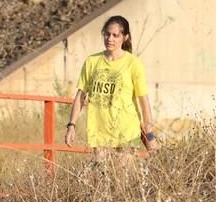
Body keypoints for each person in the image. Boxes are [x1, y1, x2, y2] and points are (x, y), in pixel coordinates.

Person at [65, 15, 160, 162]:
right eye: (107, 34)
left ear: (125, 37)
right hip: (99, 131)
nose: (110, 39)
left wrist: (149, 134)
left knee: (123, 181)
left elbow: (143, 101)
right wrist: (71, 125)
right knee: (101, 182)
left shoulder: (133, 64)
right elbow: (80, 95)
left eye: (115, 35)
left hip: (126, 132)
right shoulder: (92, 61)